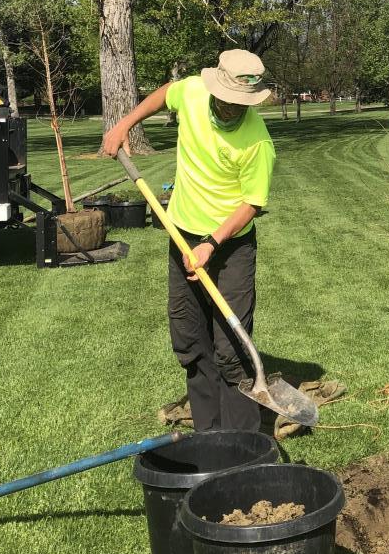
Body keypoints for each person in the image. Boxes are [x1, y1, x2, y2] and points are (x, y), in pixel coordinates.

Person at [104, 49, 276, 431]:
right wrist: (124, 124)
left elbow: (251, 204)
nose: (233, 108)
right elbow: (166, 93)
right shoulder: (194, 91)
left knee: (231, 347)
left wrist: (211, 244)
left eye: (242, 103)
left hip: (229, 247)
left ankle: (241, 445)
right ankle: (207, 436)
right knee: (189, 338)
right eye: (228, 99)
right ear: (215, 88)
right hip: (182, 234)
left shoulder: (258, 143)